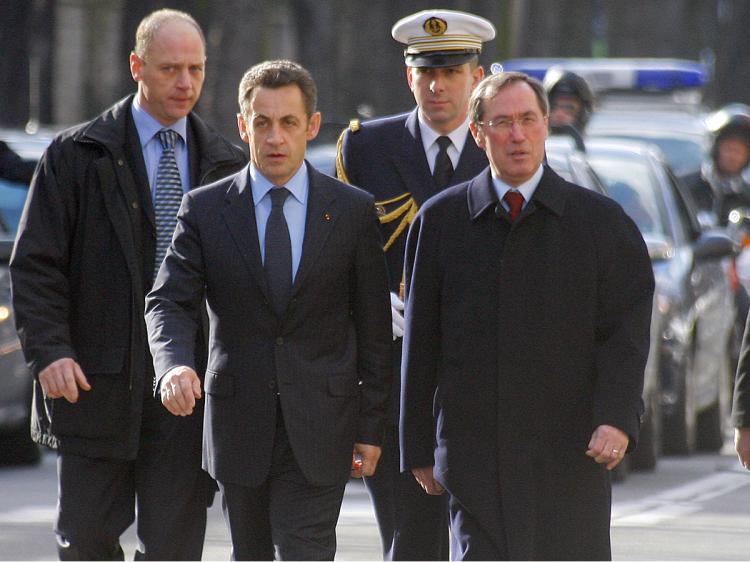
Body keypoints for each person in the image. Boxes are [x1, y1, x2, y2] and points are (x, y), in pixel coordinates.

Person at [10, 9, 247, 560]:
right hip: (95, 384)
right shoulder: (76, 155)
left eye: (196, 69)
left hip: (187, 391)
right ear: (137, 66)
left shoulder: (225, 164)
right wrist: (50, 352)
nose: (185, 83)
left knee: (173, 547)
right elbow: (36, 265)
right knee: (87, 539)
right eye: (170, 69)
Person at [400, 71, 654, 560]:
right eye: (502, 123)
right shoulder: (440, 221)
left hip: (570, 457)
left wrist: (616, 418)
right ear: (477, 133)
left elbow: (626, 334)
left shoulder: (600, 223)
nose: (516, 135)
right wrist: (417, 445)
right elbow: (420, 341)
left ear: (545, 127)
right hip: (475, 458)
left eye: (527, 120)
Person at [144, 60, 392, 561]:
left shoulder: (351, 211)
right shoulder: (206, 209)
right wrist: (173, 365)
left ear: (313, 127)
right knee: (250, 553)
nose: (275, 137)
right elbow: (169, 299)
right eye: (262, 122)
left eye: (288, 123)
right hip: (239, 424)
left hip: (323, 424)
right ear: (243, 126)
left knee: (306, 549)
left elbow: (373, 328)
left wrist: (371, 426)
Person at [336, 9, 493, 560]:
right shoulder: (366, 148)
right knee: (408, 541)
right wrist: (371, 300)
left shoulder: (499, 146)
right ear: (408, 76)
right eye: (425, 71)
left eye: (452, 71)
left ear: (478, 77)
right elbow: (344, 254)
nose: (437, 85)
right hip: (396, 376)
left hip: (482, 375)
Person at [686, 112, 750, 224]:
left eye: (740, 151)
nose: (733, 156)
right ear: (715, 147)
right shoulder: (686, 186)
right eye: (729, 148)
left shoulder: (746, 196)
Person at [543, 68, 594, 134]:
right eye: (553, 107)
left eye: (568, 108)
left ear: (583, 114)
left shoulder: (599, 143)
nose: (560, 114)